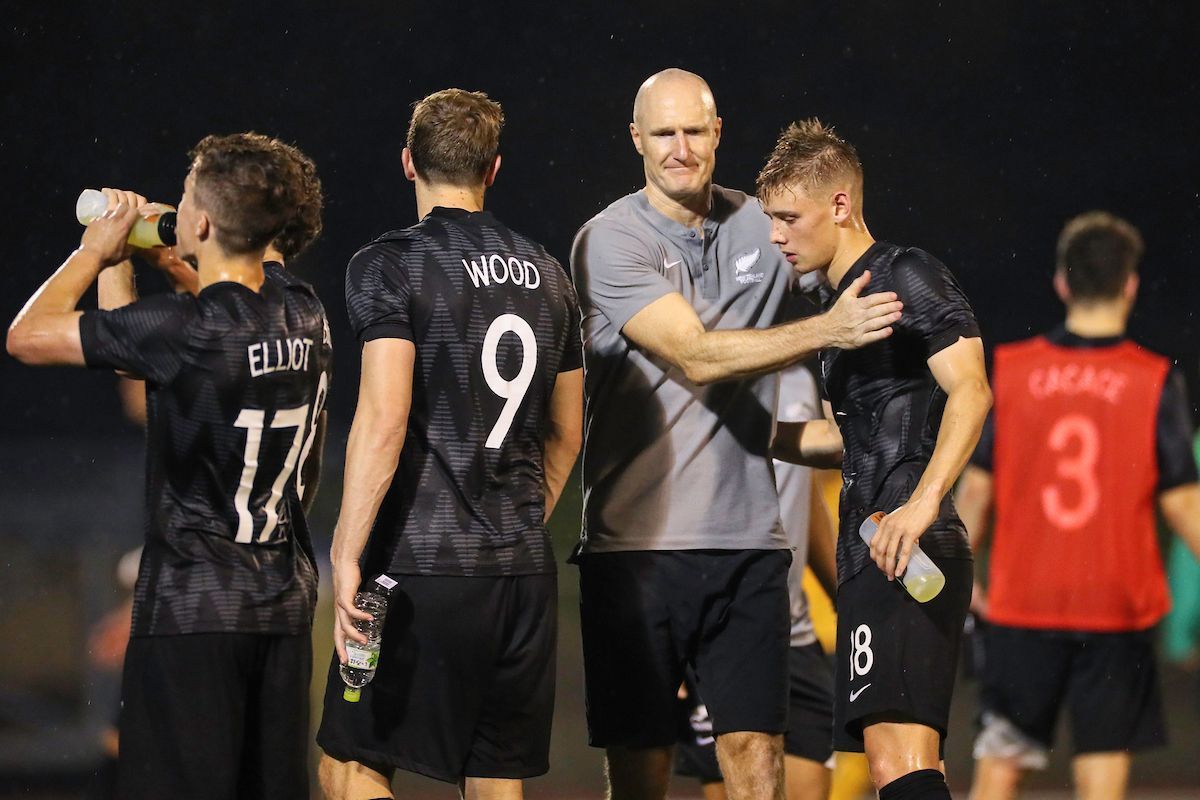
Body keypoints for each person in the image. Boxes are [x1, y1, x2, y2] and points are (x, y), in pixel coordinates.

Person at [570, 69, 904, 800]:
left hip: (751, 544)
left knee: (757, 755)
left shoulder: (763, 223)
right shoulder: (609, 239)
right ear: (636, 140)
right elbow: (693, 353)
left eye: (695, 130)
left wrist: (925, 351)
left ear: (719, 132)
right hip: (637, 548)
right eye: (664, 133)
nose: (681, 148)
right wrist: (829, 328)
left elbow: (856, 264)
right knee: (642, 769)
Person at [7, 133, 332, 798]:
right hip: (280, 605)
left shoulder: (188, 329)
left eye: (185, 200)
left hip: (192, 613)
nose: (176, 207)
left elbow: (28, 335)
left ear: (206, 222)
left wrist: (95, 249)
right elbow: (149, 342)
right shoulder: (304, 309)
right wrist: (138, 253)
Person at [315, 88, 583, 800]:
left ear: (408, 163)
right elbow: (569, 429)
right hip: (521, 574)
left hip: (420, 568)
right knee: (494, 779)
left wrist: (346, 553)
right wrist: (518, 517)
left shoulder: (390, 265)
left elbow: (383, 416)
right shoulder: (550, 275)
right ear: (492, 169)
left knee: (351, 765)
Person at [758, 118, 992, 800]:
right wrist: (755, 436)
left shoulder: (906, 272)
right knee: (901, 761)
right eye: (770, 217)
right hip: (873, 551)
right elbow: (851, 437)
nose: (775, 235)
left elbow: (971, 391)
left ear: (839, 205)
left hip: (911, 547)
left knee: (897, 762)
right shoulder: (838, 311)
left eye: (787, 217)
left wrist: (920, 507)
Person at [958, 211, 1200, 800]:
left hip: (1022, 602)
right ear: (1131, 284)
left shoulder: (1011, 371)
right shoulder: (1153, 380)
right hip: (1116, 606)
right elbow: (1184, 504)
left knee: (1002, 760)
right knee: (1100, 762)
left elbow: (975, 491)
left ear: (1062, 283)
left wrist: (962, 578)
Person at [674, 359, 840, 800]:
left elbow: (801, 489)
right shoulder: (693, 368)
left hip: (795, 635)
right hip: (717, 635)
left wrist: (844, 589)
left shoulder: (800, 378)